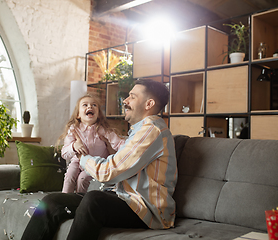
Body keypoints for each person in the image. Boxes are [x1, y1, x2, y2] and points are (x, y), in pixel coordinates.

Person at [22, 79, 177, 240]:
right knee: (52, 201)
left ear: (149, 104)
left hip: (146, 208)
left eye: (132, 96)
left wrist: (82, 157)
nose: (125, 100)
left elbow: (110, 171)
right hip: (123, 198)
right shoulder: (138, 131)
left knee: (94, 200)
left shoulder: (151, 130)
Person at [58, 94, 125, 193]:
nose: (90, 107)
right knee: (69, 177)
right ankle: (63, 202)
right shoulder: (74, 130)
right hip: (77, 162)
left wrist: (129, 149)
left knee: (82, 179)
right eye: (85, 105)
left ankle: (80, 203)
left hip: (95, 163)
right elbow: (64, 153)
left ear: (98, 114)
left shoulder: (103, 130)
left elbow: (119, 143)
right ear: (78, 115)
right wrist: (73, 146)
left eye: (94, 105)